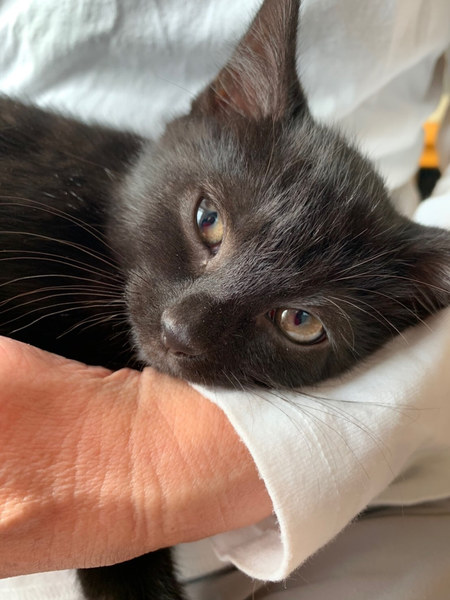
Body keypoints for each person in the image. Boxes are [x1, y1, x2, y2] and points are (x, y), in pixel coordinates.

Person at [0, 1, 450, 599]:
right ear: (223, 103)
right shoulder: (50, 215)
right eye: (207, 223)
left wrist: (145, 478)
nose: (186, 328)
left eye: (297, 320)